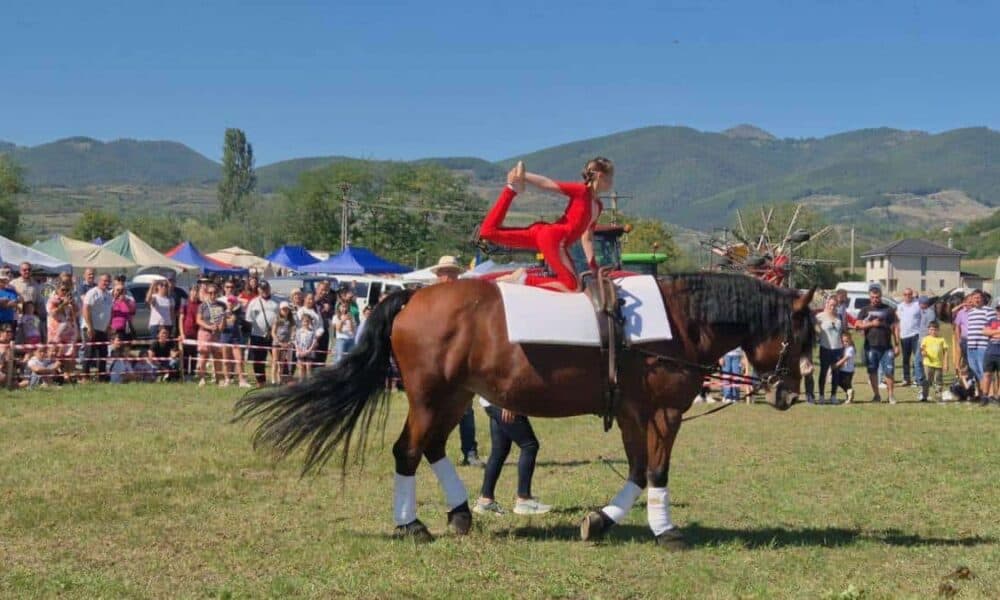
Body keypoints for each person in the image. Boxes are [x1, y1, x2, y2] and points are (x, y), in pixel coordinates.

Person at [479, 158, 614, 292]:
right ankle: (524, 279)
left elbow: (587, 238)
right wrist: (523, 176)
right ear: (601, 176)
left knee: (489, 232)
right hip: (555, 239)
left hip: (545, 234)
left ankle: (511, 189)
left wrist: (593, 266)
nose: (612, 182)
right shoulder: (581, 191)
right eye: (610, 177)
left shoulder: (598, 206)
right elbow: (547, 183)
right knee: (573, 287)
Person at [429, 255, 484, 467]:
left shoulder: (464, 298)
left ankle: (470, 452)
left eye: (452, 272)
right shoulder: (430, 299)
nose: (449, 276)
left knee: (465, 408)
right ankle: (431, 449)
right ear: (438, 275)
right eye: (445, 272)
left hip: (459, 359)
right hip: (435, 360)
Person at [472, 397, 551, 516]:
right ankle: (524, 500)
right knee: (529, 445)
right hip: (503, 403)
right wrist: (508, 403)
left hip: (491, 402)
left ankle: (485, 500)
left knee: (499, 450)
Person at [856, 284, 900, 404]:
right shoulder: (864, 310)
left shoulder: (889, 309)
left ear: (881, 297)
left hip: (887, 347)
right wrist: (871, 324)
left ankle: (891, 396)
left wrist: (897, 345)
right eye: (873, 297)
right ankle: (876, 395)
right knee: (872, 371)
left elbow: (896, 326)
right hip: (870, 347)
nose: (875, 299)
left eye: (877, 297)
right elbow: (857, 325)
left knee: (889, 371)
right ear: (870, 297)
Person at [245, 281, 278, 386]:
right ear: (259, 290)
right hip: (257, 335)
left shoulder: (276, 302)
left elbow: (280, 317)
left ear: (269, 288)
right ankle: (261, 381)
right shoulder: (253, 302)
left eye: (266, 288)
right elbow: (248, 319)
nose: (265, 291)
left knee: (278, 358)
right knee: (259, 359)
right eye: (262, 289)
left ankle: (280, 379)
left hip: (273, 335)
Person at [220, 279, 251, 388]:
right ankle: (227, 379)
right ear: (224, 288)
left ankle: (242, 380)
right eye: (227, 287)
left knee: (239, 359)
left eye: (232, 287)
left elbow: (246, 302)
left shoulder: (238, 304)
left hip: (236, 336)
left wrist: (236, 300)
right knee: (225, 359)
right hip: (224, 335)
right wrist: (225, 314)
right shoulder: (220, 302)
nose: (229, 289)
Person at [82, 273, 114, 381]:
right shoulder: (92, 293)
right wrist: (90, 327)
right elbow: (86, 309)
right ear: (99, 281)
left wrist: (109, 326)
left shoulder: (109, 295)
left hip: (103, 329)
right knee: (89, 354)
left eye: (108, 281)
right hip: (92, 328)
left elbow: (109, 311)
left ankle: (101, 378)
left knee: (103, 354)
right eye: (104, 281)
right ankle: (85, 377)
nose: (106, 283)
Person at [196, 284, 227, 387]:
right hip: (205, 332)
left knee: (218, 356)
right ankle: (202, 378)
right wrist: (209, 327)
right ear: (207, 294)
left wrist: (223, 321)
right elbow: (198, 320)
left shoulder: (222, 305)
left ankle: (218, 378)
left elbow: (223, 321)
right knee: (204, 356)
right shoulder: (203, 305)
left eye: (215, 293)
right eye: (210, 293)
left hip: (217, 334)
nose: (213, 295)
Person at [46, 282, 79, 380]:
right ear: (57, 290)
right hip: (56, 332)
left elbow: (77, 312)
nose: (65, 292)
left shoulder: (70, 301)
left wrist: (72, 303)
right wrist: (63, 304)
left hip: (69, 333)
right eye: (63, 290)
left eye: (67, 290)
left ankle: (66, 377)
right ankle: (51, 377)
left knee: (68, 355)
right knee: (54, 354)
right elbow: (52, 312)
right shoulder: (52, 300)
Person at [964, 290, 993, 399]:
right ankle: (982, 394)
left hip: (982, 346)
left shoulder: (988, 310)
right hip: (970, 345)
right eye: (974, 297)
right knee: (975, 370)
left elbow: (993, 326)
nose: (976, 299)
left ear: (983, 299)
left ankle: (989, 395)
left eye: (978, 297)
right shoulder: (970, 312)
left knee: (984, 371)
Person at [815, 296, 844, 404]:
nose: (832, 307)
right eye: (831, 305)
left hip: (838, 349)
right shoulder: (820, 316)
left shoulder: (839, 317)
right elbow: (814, 329)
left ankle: (833, 396)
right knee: (823, 372)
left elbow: (842, 332)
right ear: (826, 304)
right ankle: (821, 396)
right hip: (825, 348)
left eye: (835, 305)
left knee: (836, 373)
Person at [896, 288, 921, 387]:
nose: (907, 296)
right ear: (903, 295)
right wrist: (897, 337)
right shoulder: (900, 306)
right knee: (906, 359)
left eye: (909, 294)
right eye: (905, 294)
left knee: (917, 358)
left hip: (915, 334)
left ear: (912, 295)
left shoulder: (917, 305)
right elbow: (898, 322)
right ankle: (906, 379)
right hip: (904, 335)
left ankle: (916, 378)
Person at [919, 322, 949, 403]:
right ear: (928, 330)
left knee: (938, 381)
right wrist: (923, 352)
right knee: (927, 380)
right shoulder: (925, 339)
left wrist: (946, 363)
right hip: (928, 364)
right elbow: (922, 348)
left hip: (938, 364)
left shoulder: (941, 339)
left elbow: (945, 352)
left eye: (935, 330)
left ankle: (938, 396)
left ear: (938, 330)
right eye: (931, 330)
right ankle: (924, 396)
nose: (933, 331)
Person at [913, 295, 936, 389]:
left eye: (920, 303)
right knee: (920, 361)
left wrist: (926, 341)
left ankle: (921, 380)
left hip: (926, 341)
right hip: (921, 339)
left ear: (924, 303)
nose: (919, 304)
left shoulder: (930, 313)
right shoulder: (922, 312)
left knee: (919, 361)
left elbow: (931, 328)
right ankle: (922, 379)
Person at [270, 301, 295, 385]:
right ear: (280, 310)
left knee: (281, 362)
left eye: (287, 309)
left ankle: (279, 379)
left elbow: (292, 332)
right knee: (275, 360)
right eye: (283, 309)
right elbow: (273, 332)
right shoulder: (277, 319)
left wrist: (290, 341)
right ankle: (273, 380)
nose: (285, 311)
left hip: (286, 343)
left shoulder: (291, 321)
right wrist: (278, 342)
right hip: (277, 344)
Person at [981, 305, 1000, 406]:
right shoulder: (991, 320)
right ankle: (985, 397)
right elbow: (984, 331)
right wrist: (997, 331)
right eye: (998, 309)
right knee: (987, 374)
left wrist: (992, 333)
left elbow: (989, 333)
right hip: (990, 352)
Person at [834, 331, 856, 404]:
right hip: (843, 369)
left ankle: (849, 394)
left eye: (846, 341)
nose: (845, 343)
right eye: (843, 341)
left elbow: (845, 358)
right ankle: (849, 395)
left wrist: (837, 364)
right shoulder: (845, 348)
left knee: (845, 383)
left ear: (850, 340)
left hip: (848, 371)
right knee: (843, 383)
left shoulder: (851, 349)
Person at [294, 313, 318, 380]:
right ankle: (301, 381)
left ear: (310, 322)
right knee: (301, 367)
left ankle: (309, 382)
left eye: (307, 321)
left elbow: (314, 342)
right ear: (301, 322)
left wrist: (309, 350)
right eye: (304, 321)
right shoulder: (298, 331)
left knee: (308, 367)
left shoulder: (312, 332)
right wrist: (298, 350)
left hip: (309, 353)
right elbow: (296, 342)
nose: (306, 323)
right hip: (300, 352)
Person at [0, 269, 19, 334]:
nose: (2, 281)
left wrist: (3, 303)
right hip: (7, 319)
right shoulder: (11, 291)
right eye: (1, 280)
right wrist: (6, 301)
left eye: (4, 280)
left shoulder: (11, 291)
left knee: (6, 339)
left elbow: (14, 303)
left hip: (8, 320)